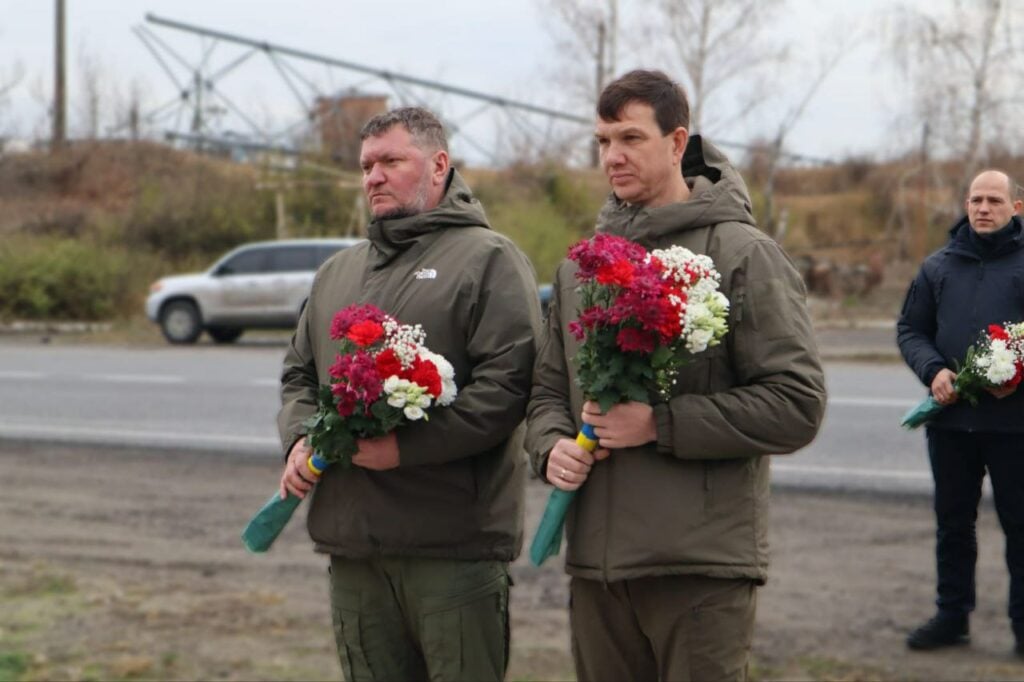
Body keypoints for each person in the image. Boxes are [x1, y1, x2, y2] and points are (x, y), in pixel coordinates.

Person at [525, 69, 827, 681]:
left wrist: (658, 424)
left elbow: (797, 403)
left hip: (697, 570)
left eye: (631, 138)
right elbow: (548, 391)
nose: (613, 156)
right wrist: (549, 447)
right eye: (603, 141)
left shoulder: (743, 254)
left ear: (677, 141)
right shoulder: (584, 267)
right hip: (597, 570)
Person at [277, 106, 541, 681]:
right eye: (367, 164)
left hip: (450, 547)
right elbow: (299, 374)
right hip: (353, 547)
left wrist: (407, 450)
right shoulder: (337, 273)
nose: (373, 176)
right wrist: (299, 438)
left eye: (392, 160)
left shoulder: (489, 260)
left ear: (439, 164)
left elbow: (508, 388)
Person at [898, 169, 1024, 654]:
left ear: (1016, 208)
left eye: (994, 199)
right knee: (953, 524)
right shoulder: (937, 267)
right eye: (976, 199)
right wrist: (933, 371)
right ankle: (952, 618)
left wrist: (1015, 378)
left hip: (1016, 426)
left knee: (1021, 525)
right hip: (951, 423)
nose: (983, 208)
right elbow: (911, 330)